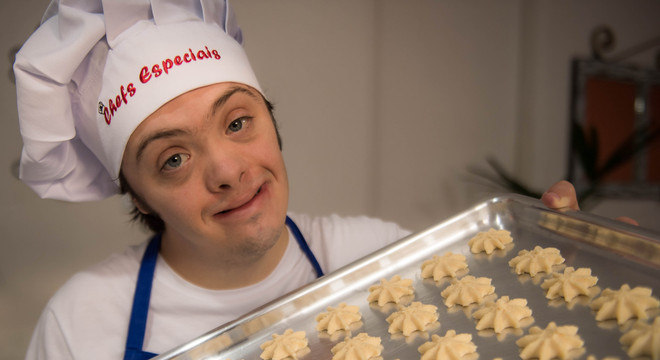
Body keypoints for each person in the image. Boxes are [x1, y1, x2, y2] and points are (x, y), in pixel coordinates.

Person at [14, 1, 596, 359]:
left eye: (238, 121)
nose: (228, 171)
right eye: (173, 159)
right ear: (137, 194)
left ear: (271, 119)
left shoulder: (381, 261)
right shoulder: (82, 324)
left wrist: (558, 276)